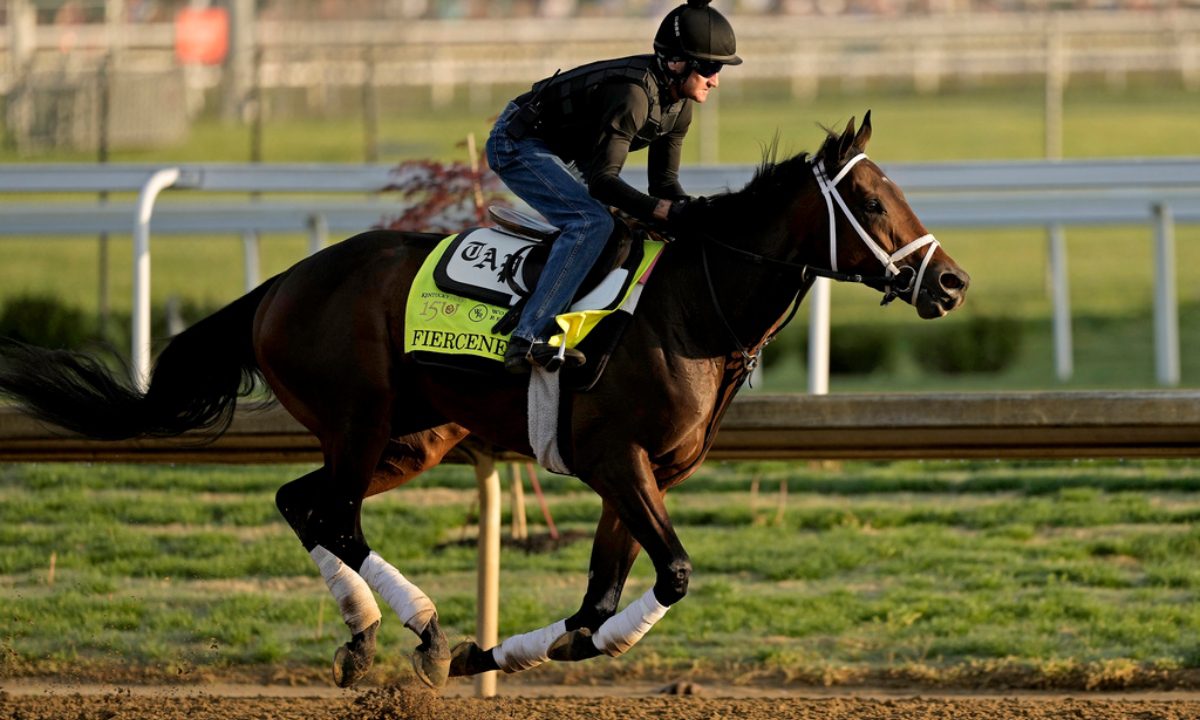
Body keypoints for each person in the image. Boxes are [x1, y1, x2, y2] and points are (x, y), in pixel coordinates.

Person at [486, 0, 741, 373]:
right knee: (591, 223)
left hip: (568, 152)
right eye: (709, 68)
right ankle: (528, 336)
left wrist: (694, 216)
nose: (715, 80)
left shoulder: (679, 108)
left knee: (627, 229)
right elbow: (604, 181)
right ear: (676, 63)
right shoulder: (633, 95)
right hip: (518, 142)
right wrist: (661, 210)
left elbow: (664, 184)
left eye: (718, 69)